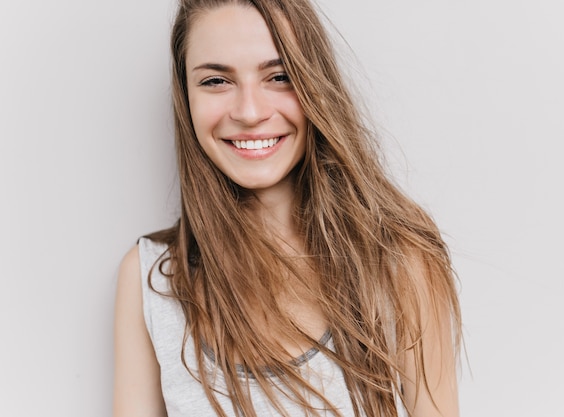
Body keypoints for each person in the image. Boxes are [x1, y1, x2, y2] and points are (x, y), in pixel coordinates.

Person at [113, 0, 461, 416]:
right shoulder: (150, 281)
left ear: (315, 83)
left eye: (278, 76)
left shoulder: (400, 262)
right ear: (185, 96)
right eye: (216, 81)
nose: (249, 112)